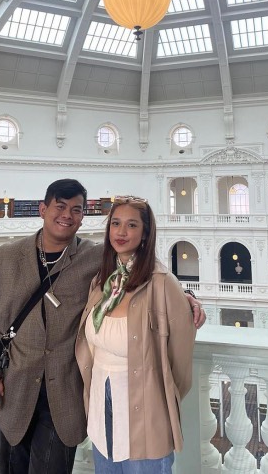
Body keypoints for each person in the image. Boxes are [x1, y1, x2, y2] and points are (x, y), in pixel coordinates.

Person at [0, 179, 205, 474]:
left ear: (83, 216)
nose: (67, 215)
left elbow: (142, 271)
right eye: (60, 207)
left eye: (76, 209)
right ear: (42, 209)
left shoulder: (95, 258)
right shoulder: (0, 260)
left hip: (62, 400)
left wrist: (186, 297)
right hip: (9, 394)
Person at [75, 195, 197, 473]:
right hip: (100, 402)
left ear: (145, 233)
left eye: (131, 225)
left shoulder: (162, 283)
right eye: (115, 223)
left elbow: (179, 364)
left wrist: (157, 399)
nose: (121, 232)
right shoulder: (102, 281)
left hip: (145, 411)